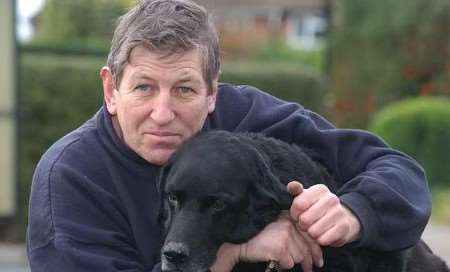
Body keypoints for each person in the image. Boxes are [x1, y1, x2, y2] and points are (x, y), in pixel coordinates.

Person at [26, 0, 431, 271]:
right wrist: (233, 253)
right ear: (111, 90)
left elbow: (398, 171)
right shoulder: (72, 178)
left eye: (184, 89)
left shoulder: (248, 116)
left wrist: (353, 212)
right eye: (144, 87)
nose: (163, 113)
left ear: (212, 93)